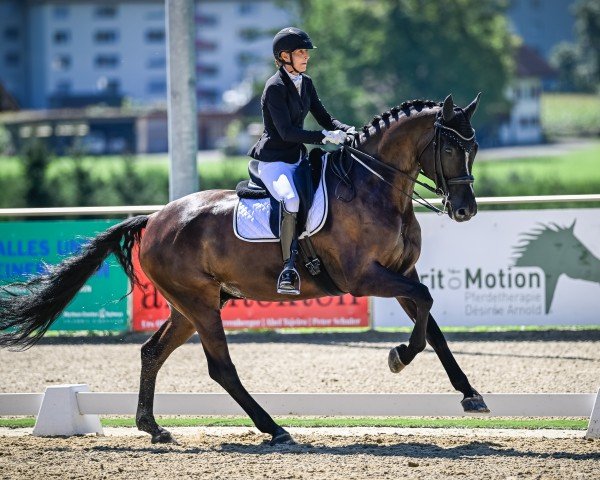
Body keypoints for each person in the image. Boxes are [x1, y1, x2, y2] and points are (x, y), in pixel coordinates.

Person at [248, 27, 355, 295]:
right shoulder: (274, 87)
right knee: (291, 200)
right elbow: (287, 133)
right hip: (275, 162)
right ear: (284, 56)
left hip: (297, 159)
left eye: (306, 52)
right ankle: (288, 267)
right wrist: (323, 137)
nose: (306, 57)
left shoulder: (305, 82)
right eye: (300, 52)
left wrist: (348, 130)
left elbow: (325, 117)